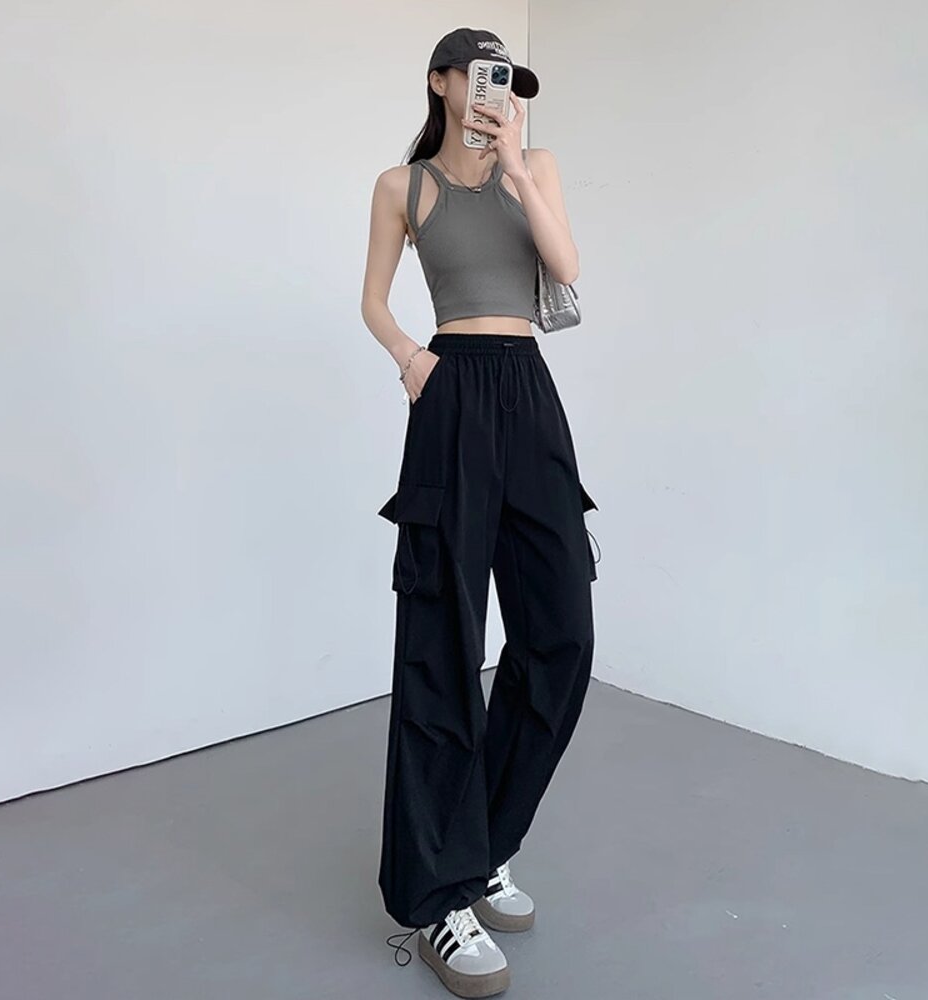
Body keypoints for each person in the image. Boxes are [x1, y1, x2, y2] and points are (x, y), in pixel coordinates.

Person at [360, 26, 600, 999]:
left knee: (561, 634)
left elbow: (566, 267)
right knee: (442, 641)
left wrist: (516, 170)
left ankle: (484, 845)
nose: (499, 93)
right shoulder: (403, 186)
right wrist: (410, 358)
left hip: (530, 395)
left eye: (511, 83)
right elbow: (373, 300)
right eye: (483, 76)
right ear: (442, 81)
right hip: (451, 390)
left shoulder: (534, 165)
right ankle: (437, 897)